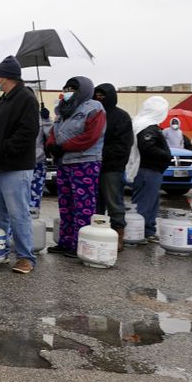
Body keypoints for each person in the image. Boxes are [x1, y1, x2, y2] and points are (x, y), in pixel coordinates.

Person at [0, 56, 40, 274]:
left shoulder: (25, 98)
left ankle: (26, 257)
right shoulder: (2, 99)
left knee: (18, 214)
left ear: (4, 77)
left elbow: (28, 131)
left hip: (15, 167)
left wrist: (5, 149)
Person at [45, 76, 106, 257]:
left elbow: (90, 137)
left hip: (84, 162)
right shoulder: (63, 110)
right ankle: (65, 241)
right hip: (64, 162)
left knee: (83, 206)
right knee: (66, 205)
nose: (68, 91)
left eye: (72, 88)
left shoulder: (94, 108)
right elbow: (54, 132)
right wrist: (51, 145)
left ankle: (80, 244)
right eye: (66, 87)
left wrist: (63, 147)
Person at [93, 84, 133, 250]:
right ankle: (97, 234)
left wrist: (99, 153)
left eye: (103, 95)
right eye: (97, 94)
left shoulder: (121, 116)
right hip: (93, 166)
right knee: (95, 204)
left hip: (112, 168)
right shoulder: (92, 114)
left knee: (114, 203)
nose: (99, 98)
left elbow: (123, 145)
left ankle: (118, 237)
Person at [126, 97, 171, 242]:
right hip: (147, 170)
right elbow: (147, 147)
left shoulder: (142, 124)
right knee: (144, 204)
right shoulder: (147, 127)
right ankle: (138, 233)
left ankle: (148, 230)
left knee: (151, 201)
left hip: (148, 169)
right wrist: (166, 156)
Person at [31, 106, 53, 210]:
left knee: (34, 198)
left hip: (37, 162)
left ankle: (33, 222)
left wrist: (47, 120)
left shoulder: (40, 118)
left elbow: (51, 135)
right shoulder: (13, 115)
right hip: (18, 164)